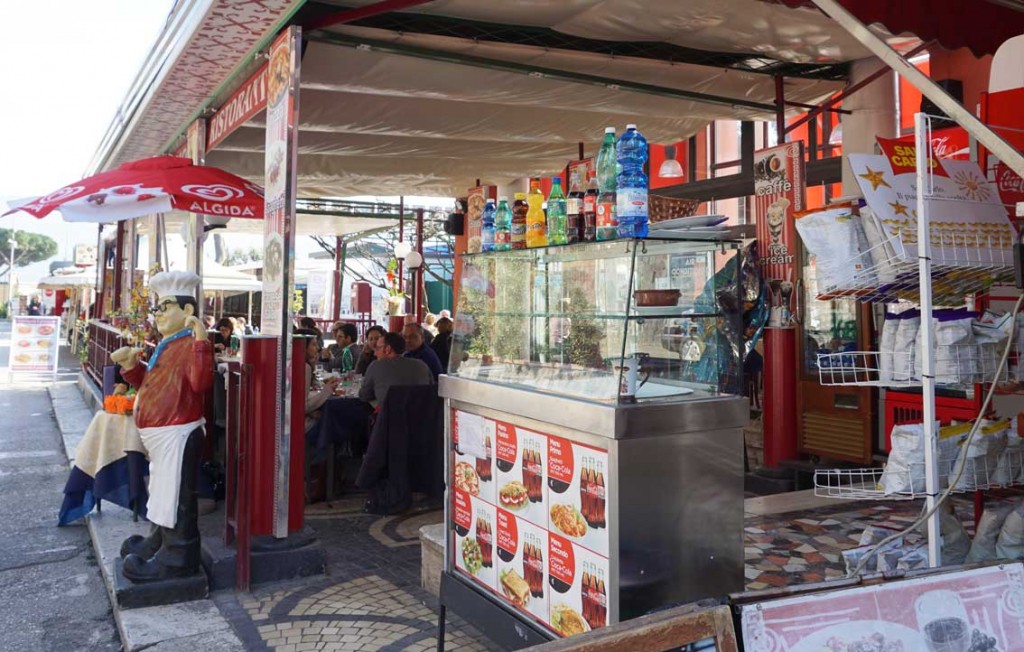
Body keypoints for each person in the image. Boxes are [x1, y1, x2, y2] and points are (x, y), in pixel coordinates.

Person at [110, 271, 213, 581]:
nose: (157, 314)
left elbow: (200, 383)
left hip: (178, 432)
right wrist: (131, 368)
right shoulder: (167, 344)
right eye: (157, 308)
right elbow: (155, 384)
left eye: (164, 307)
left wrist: (202, 343)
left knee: (176, 496)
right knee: (162, 493)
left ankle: (177, 556)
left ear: (188, 312)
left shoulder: (189, 344)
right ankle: (159, 539)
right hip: (163, 434)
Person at [359, 332, 433, 407]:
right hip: (423, 416)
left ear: (388, 349)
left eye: (377, 348)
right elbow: (431, 390)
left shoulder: (376, 366)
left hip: (390, 417)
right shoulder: (422, 365)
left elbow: (364, 396)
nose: (375, 353)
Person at [296, 328, 340, 434]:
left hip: (289, 421)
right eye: (314, 345)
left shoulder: (294, 363)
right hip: (301, 425)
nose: (318, 348)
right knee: (334, 422)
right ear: (303, 346)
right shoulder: (304, 367)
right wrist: (327, 390)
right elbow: (303, 406)